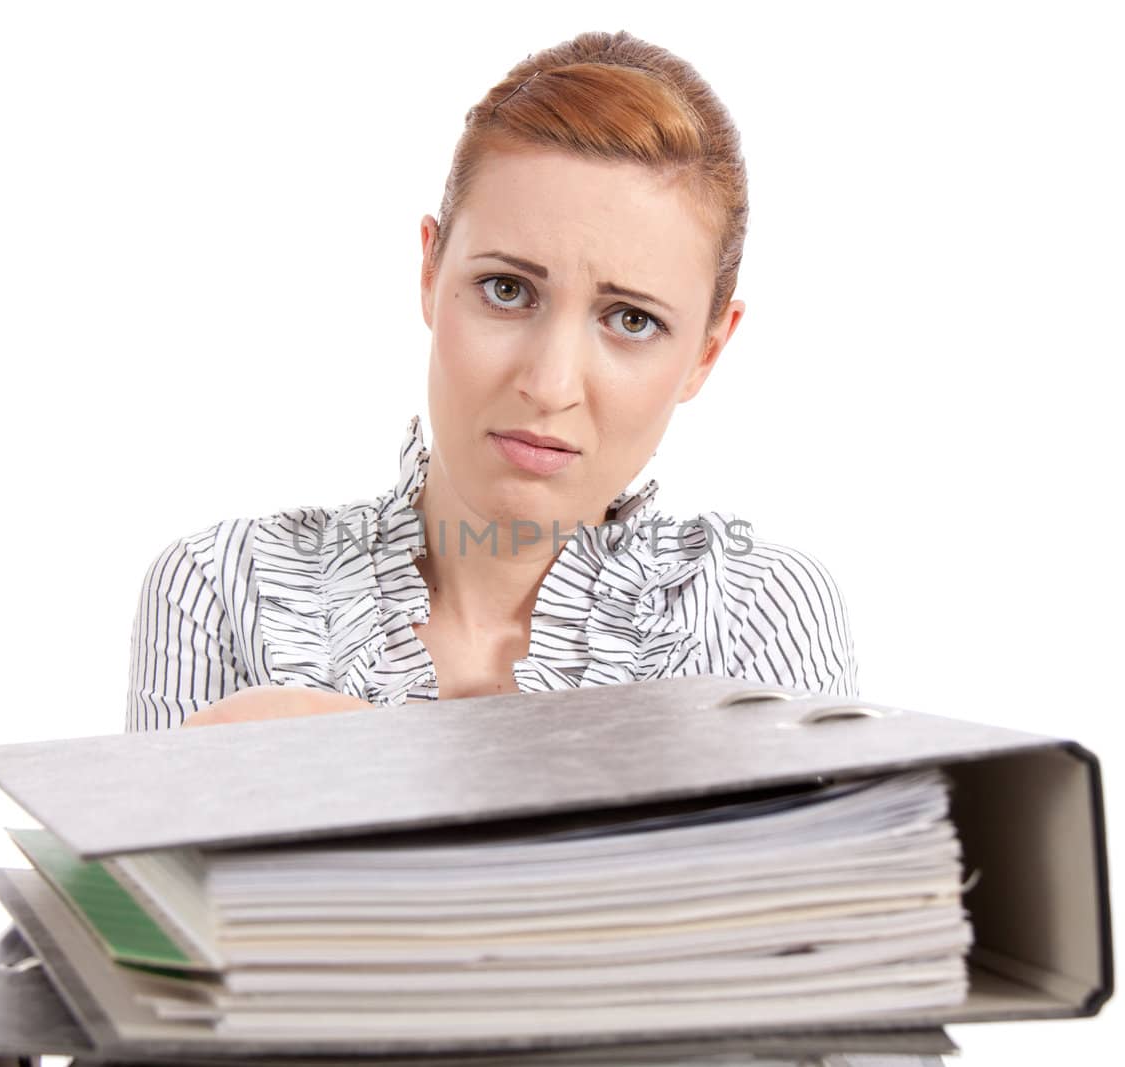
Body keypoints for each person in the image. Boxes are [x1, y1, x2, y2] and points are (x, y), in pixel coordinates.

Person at [127, 30, 859, 735]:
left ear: (707, 351)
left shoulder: (760, 611)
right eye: (507, 290)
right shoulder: (220, 588)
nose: (549, 384)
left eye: (631, 320)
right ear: (429, 271)